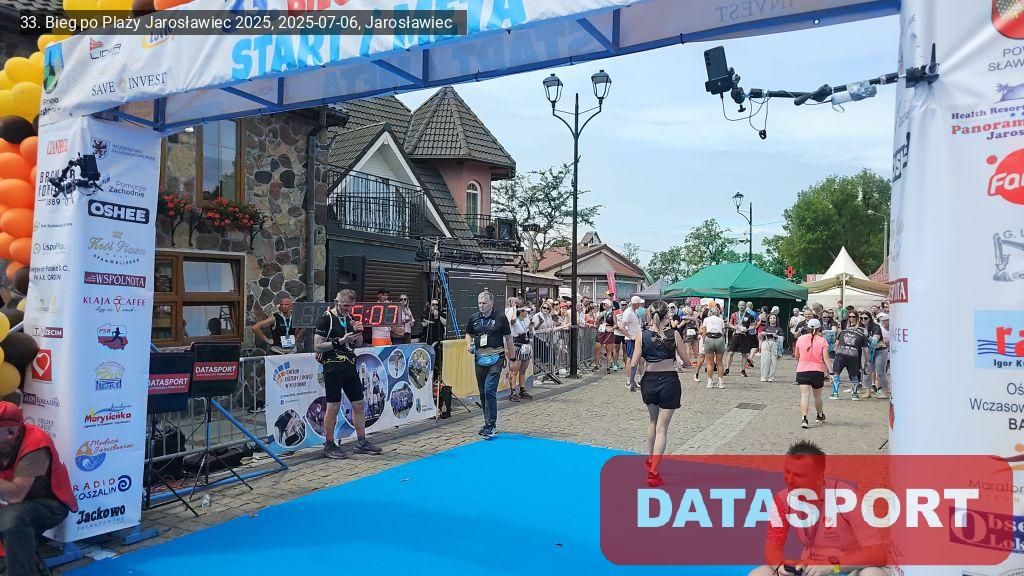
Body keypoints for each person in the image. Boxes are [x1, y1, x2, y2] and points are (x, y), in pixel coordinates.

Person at [748, 440, 891, 576]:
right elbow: (773, 547)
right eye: (787, 472)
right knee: (760, 573)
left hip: (848, 569)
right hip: (809, 570)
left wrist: (833, 566)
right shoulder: (782, 499)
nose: (789, 480)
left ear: (819, 477)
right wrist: (780, 565)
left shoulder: (845, 497)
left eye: (798, 475)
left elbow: (878, 553)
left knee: (871, 573)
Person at [0, 402, 76, 576]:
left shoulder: (35, 442)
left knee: (13, 518)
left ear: (11, 432)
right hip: (10, 503)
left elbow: (16, 495)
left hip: (49, 505)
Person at [315, 289, 381, 458]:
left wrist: (359, 333)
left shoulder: (350, 318)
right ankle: (329, 444)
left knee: (359, 404)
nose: (347, 309)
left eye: (350, 306)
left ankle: (361, 442)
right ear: (336, 302)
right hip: (332, 367)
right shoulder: (326, 318)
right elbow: (317, 346)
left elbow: (357, 344)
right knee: (333, 406)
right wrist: (340, 341)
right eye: (345, 305)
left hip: (350, 366)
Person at [629, 301, 686, 488]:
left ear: (649, 315)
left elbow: (634, 363)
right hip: (669, 381)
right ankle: (653, 472)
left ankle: (650, 459)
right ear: (667, 316)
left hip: (650, 381)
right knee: (663, 428)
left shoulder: (642, 335)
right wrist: (680, 362)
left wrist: (632, 381)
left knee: (652, 421)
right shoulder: (674, 334)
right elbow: (686, 360)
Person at [465, 291, 515, 439]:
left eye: (484, 303)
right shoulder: (474, 318)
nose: (481, 306)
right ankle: (487, 422)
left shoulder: (500, 318)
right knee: (482, 392)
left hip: (496, 357)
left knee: (489, 390)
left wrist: (512, 359)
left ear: (491, 303)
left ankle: (491, 424)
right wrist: (468, 344)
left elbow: (509, 339)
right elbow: (468, 334)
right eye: (479, 303)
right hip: (480, 358)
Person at [794, 319, 831, 429]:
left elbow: (796, 355)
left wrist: (802, 362)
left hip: (802, 370)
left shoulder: (800, 339)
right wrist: (831, 372)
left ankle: (804, 418)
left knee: (804, 395)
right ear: (819, 328)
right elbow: (826, 359)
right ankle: (819, 414)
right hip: (817, 370)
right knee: (817, 395)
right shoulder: (823, 341)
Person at [833, 313, 867, 400]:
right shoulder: (861, 333)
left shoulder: (843, 331)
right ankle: (854, 394)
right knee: (853, 374)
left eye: (853, 317)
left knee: (837, 373)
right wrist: (867, 361)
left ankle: (835, 394)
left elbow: (836, 344)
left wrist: (837, 353)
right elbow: (866, 349)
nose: (851, 318)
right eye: (850, 317)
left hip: (842, 353)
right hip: (853, 354)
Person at [617, 296, 644, 392]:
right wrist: (630, 336)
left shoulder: (634, 312)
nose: (640, 305)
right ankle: (628, 381)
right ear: (635, 304)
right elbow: (621, 326)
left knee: (640, 359)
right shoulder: (628, 312)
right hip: (631, 339)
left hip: (637, 338)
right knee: (630, 359)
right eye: (639, 303)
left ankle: (637, 380)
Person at [508, 306, 534, 402]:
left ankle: (522, 390)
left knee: (523, 370)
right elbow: (512, 321)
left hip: (526, 346)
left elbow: (530, 335)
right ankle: (513, 391)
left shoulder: (526, 321)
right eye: (525, 311)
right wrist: (514, 308)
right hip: (518, 346)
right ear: (521, 312)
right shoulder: (515, 321)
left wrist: (530, 329)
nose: (527, 313)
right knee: (515, 370)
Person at [700, 304, 727, 389]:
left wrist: (703, 343)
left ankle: (710, 382)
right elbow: (723, 332)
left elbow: (704, 332)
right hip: (719, 339)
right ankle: (720, 382)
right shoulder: (721, 320)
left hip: (709, 339)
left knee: (709, 363)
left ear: (710, 312)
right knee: (720, 362)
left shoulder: (706, 319)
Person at [759, 313, 783, 382]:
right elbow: (760, 337)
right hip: (766, 342)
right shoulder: (765, 327)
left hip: (775, 343)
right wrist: (761, 334)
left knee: (773, 361)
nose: (772, 319)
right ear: (768, 319)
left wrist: (777, 336)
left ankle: (771, 377)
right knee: (764, 360)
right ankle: (763, 377)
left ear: (776, 319)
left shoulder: (779, 328)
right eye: (771, 318)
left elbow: (782, 338)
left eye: (774, 318)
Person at [872, 313, 891, 399]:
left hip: (888, 351)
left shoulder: (893, 328)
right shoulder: (880, 328)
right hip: (884, 351)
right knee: (880, 371)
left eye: (885, 320)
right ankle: (880, 388)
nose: (883, 322)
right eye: (882, 320)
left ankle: (885, 390)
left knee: (882, 372)